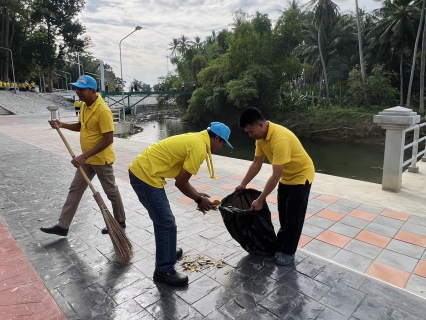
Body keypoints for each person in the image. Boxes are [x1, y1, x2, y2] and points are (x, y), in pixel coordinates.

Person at [129, 122, 233, 287]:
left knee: (164, 220)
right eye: (222, 143)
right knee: (166, 223)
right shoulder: (199, 148)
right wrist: (198, 200)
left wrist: (198, 194)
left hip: (145, 171)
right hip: (145, 176)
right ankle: (164, 271)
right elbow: (181, 183)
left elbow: (181, 179)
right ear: (217, 138)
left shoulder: (198, 139)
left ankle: (167, 251)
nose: (220, 148)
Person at [40, 75, 126, 237]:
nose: (78, 92)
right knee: (75, 189)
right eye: (77, 88)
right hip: (86, 160)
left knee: (111, 192)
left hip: (101, 160)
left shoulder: (103, 111)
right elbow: (82, 126)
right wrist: (62, 125)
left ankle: (119, 222)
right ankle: (63, 226)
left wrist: (84, 156)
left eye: (82, 89)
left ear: (93, 91)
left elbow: (108, 139)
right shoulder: (85, 106)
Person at [236, 107, 314, 266]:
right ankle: (282, 244)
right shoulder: (261, 139)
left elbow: (275, 175)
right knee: (283, 213)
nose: (251, 135)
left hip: (301, 176)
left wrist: (260, 199)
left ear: (260, 125)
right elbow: (257, 163)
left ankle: (288, 252)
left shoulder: (280, 139)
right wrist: (243, 184)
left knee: (294, 217)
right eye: (248, 133)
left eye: (251, 131)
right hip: (286, 176)